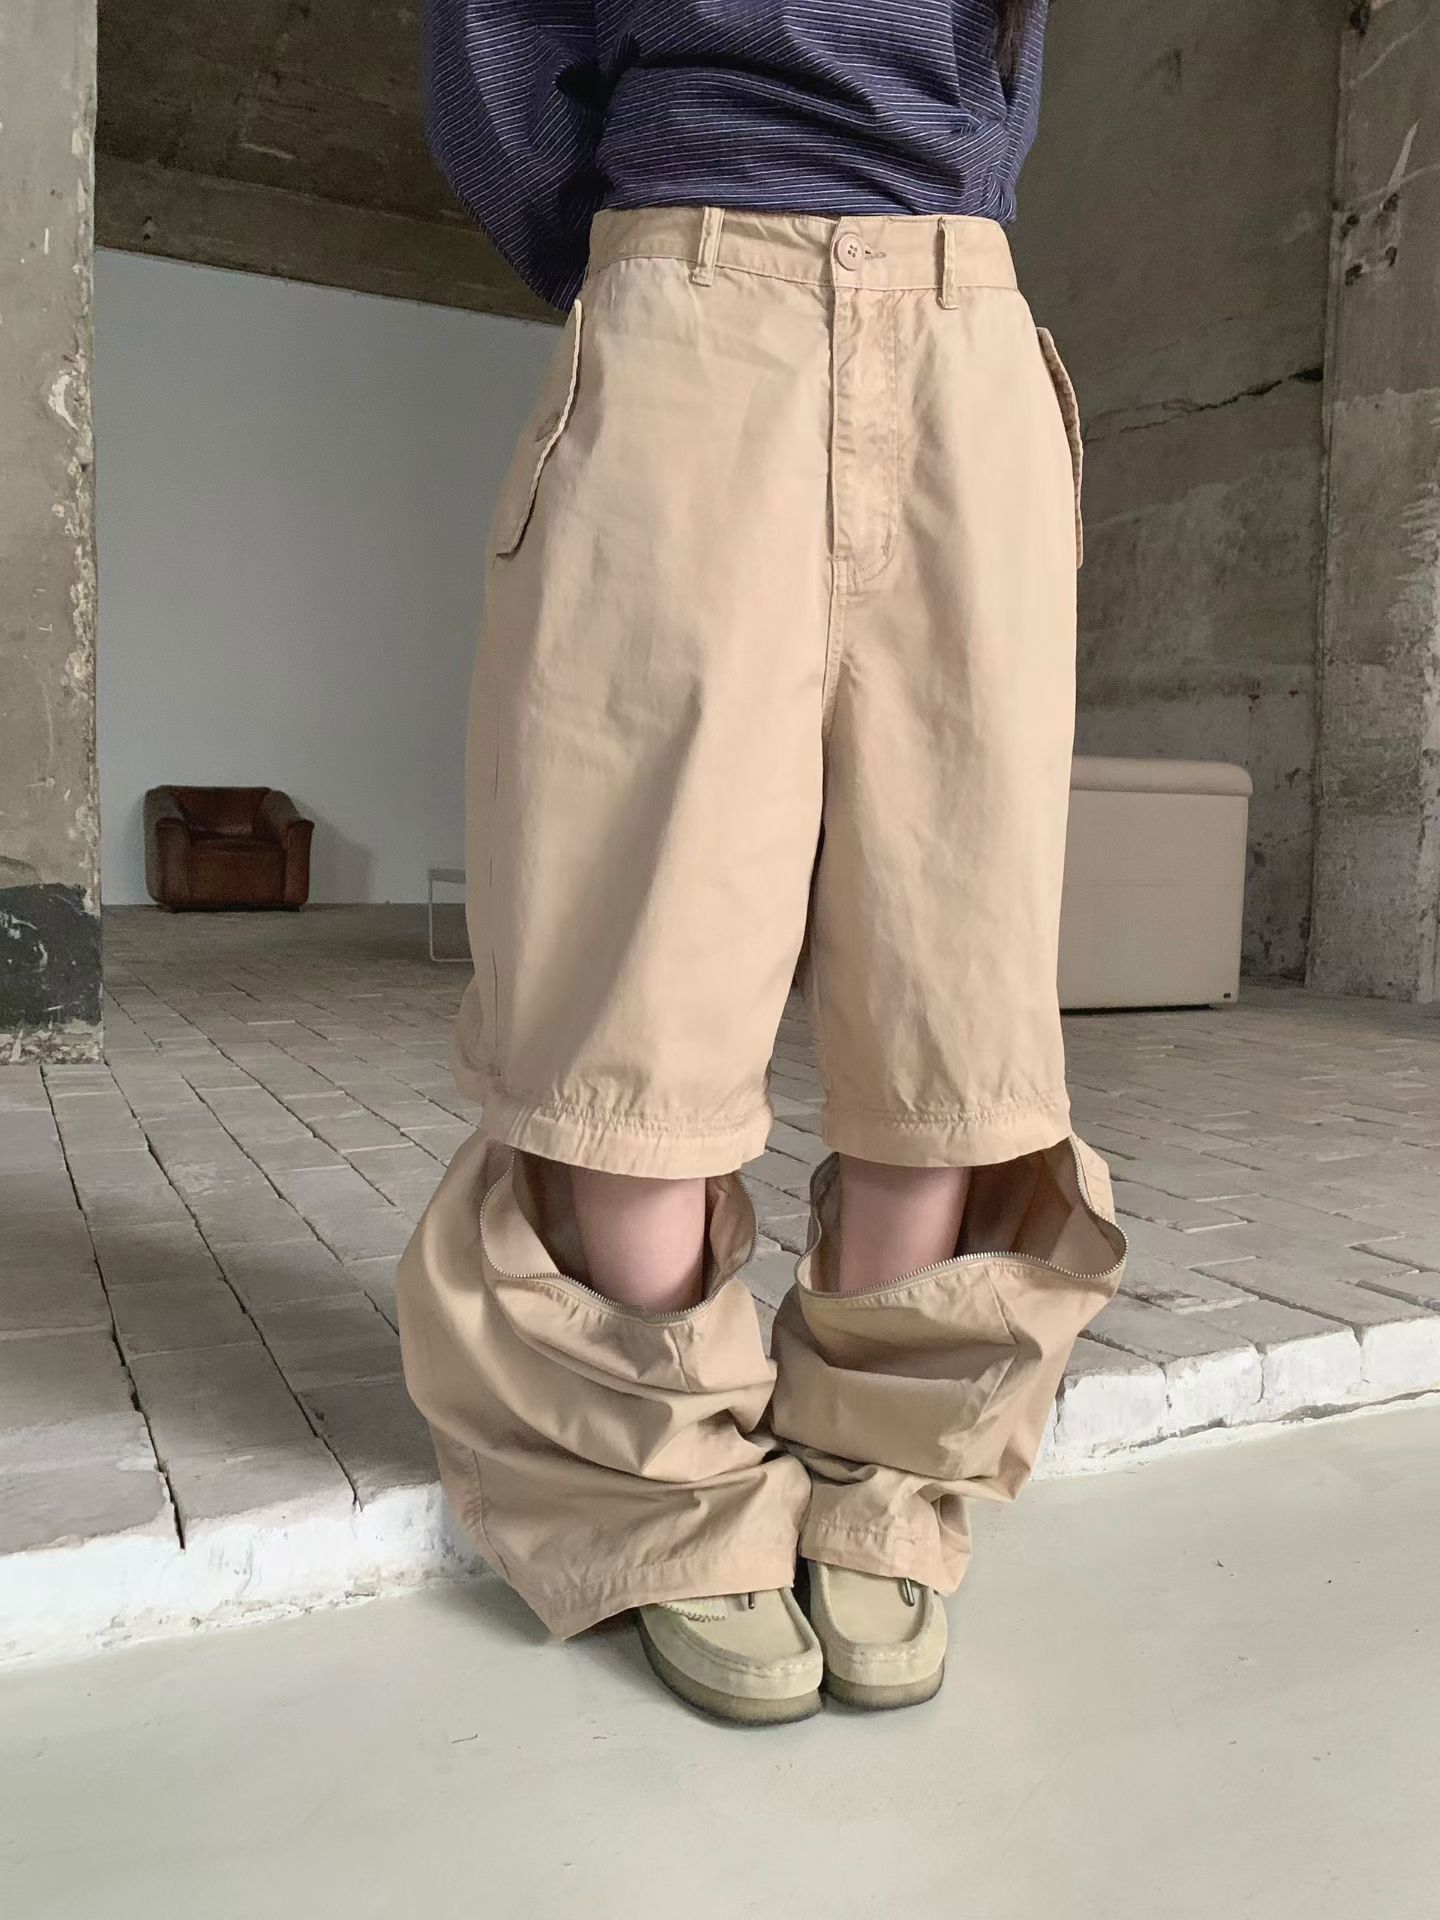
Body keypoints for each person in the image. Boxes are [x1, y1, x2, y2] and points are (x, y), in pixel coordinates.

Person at [398, 0, 1127, 1724]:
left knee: (950, 959)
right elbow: (499, 60)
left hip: (965, 318)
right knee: (642, 956)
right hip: (688, 300)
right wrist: (656, 253)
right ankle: (660, 1477)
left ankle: (884, 1461)